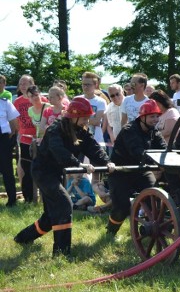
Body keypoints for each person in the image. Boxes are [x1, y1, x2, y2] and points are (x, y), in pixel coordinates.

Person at [13, 97, 114, 256]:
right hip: (43, 172)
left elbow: (94, 149)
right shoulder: (55, 129)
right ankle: (61, 252)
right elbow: (58, 151)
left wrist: (108, 163)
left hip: (55, 173)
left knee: (49, 217)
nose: (87, 120)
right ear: (74, 116)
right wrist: (79, 164)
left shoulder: (82, 131)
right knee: (64, 204)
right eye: (85, 117)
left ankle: (22, 238)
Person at [107, 100, 167, 235]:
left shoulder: (154, 131)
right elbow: (137, 152)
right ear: (142, 117)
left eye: (157, 116)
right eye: (152, 116)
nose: (156, 119)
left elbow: (163, 149)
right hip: (120, 171)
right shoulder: (129, 130)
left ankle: (150, 228)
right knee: (121, 208)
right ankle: (110, 232)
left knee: (154, 197)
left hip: (140, 170)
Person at [14, 74, 40, 203]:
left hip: (39, 139)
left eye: (25, 83)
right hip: (24, 139)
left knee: (40, 168)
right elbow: (15, 121)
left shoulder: (41, 100)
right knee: (26, 167)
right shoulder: (17, 102)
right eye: (21, 84)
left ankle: (42, 196)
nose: (23, 86)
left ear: (32, 84)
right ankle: (28, 197)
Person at [0, 94, 20, 207]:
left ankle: (12, 200)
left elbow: (14, 123)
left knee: (7, 170)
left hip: (3, 139)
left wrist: (10, 139)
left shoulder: (5, 103)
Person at [81, 72, 107, 147]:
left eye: (88, 85)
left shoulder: (100, 101)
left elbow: (97, 121)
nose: (85, 87)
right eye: (84, 84)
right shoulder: (76, 100)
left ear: (95, 85)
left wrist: (80, 119)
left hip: (96, 140)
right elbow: (72, 120)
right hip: (79, 139)